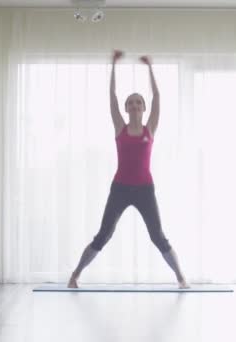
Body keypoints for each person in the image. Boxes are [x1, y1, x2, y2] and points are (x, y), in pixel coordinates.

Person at [67, 50, 189, 289]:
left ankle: (181, 278)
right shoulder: (120, 127)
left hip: (145, 189)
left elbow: (157, 96)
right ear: (126, 109)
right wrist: (113, 64)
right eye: (130, 103)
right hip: (120, 188)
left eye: (138, 103)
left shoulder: (149, 128)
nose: (134, 105)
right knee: (103, 235)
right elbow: (111, 96)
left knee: (158, 236)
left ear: (143, 108)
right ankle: (75, 275)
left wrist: (150, 68)